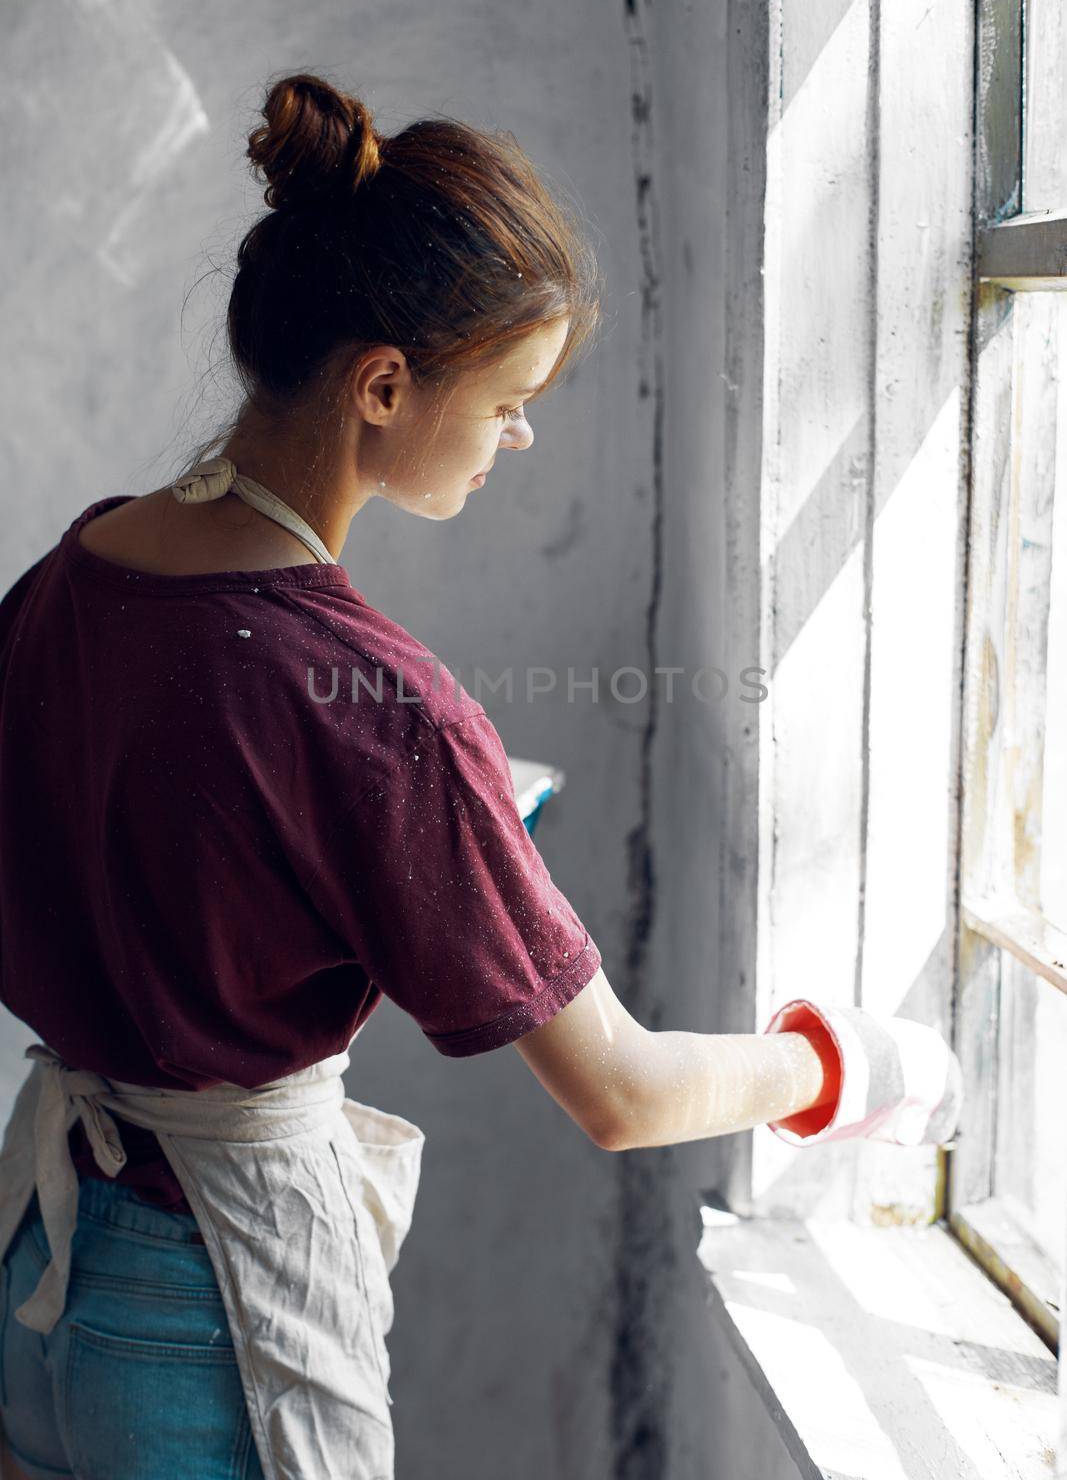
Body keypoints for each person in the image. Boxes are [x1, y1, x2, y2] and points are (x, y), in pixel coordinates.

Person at [0, 74, 962, 1480]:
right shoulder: (385, 713)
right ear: (384, 386)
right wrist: (851, 1063)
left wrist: (378, 836)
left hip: (39, 1275)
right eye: (509, 399)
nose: (519, 439)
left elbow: (139, 814)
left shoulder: (81, 565)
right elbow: (620, 1091)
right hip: (215, 1312)